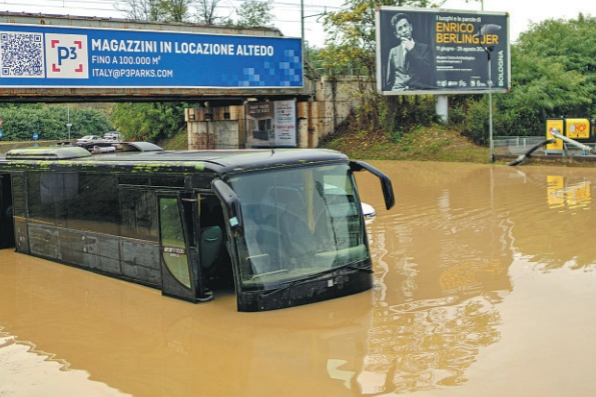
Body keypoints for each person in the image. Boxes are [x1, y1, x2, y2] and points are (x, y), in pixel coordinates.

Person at [385, 13, 433, 91]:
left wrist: (412, 50)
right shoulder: (393, 51)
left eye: (405, 26)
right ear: (396, 34)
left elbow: (427, 72)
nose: (404, 30)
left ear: (411, 27)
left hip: (418, 92)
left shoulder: (424, 48)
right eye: (400, 28)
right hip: (398, 92)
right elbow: (390, 80)